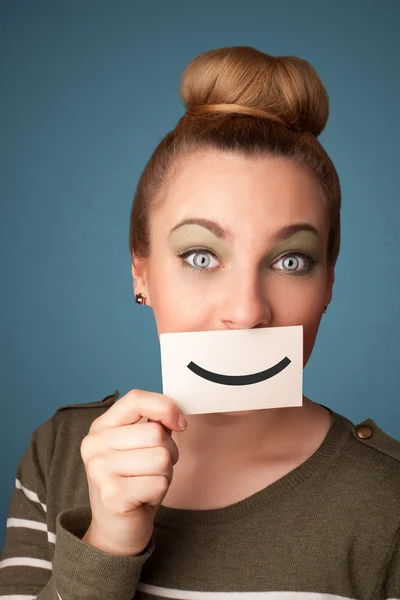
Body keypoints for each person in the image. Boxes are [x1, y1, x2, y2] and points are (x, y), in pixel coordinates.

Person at [1, 46, 399, 600]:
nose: (247, 312)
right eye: (201, 256)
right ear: (141, 271)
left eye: (291, 261)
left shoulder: (390, 501)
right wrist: (107, 543)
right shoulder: (62, 453)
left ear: (329, 282)